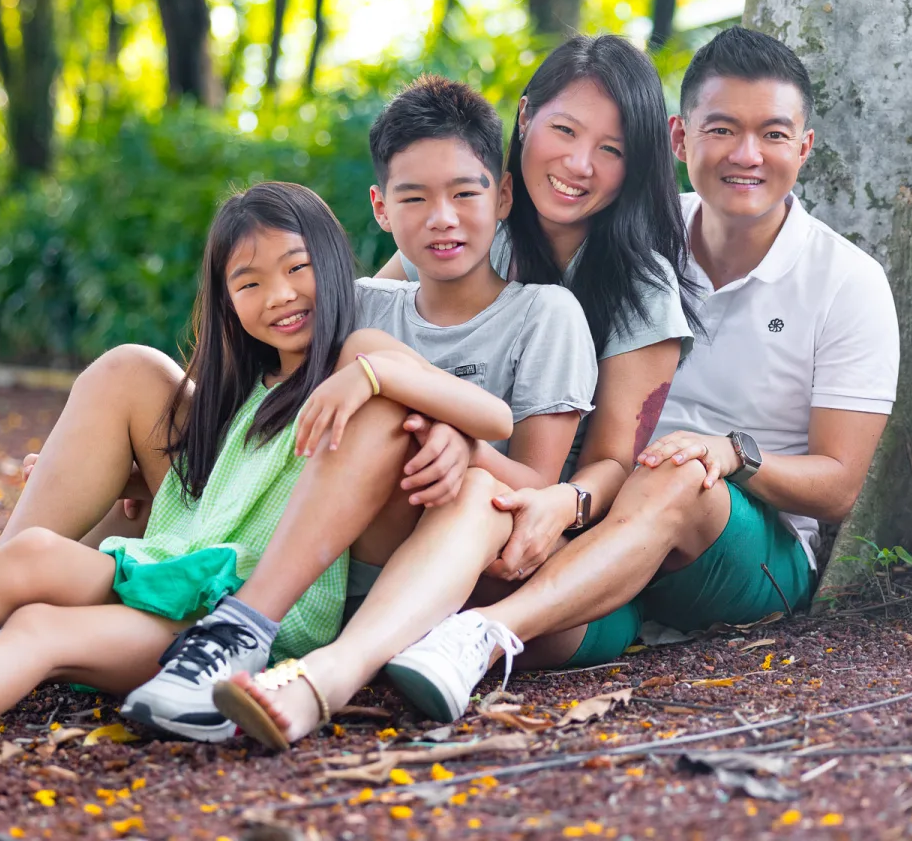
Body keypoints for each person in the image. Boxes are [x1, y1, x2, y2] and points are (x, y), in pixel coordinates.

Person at [0, 182, 512, 774]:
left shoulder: (362, 358)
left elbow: (493, 418)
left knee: (40, 632)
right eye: (248, 282)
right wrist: (122, 507)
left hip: (242, 629)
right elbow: (194, 499)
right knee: (30, 558)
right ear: (225, 301)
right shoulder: (245, 389)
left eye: (297, 268)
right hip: (172, 577)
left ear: (336, 264)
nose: (280, 295)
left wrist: (371, 377)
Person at [382, 26, 902, 722]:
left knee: (678, 470)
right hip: (597, 528)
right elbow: (385, 308)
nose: (746, 154)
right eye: (722, 129)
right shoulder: (627, 231)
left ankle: (484, 636)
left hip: (739, 544)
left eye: (772, 134)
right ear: (681, 137)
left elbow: (840, 486)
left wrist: (731, 453)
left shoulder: (847, 282)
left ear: (802, 148)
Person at [206, 37, 705, 745]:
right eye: (564, 131)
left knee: (463, 478)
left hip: (531, 533)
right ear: (526, 121)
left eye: (613, 149)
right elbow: (349, 338)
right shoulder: (463, 230)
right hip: (415, 516)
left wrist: (504, 466)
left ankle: (327, 672)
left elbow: (613, 463)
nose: (578, 163)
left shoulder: (630, 285)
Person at [121, 75, 598, 746]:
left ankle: (253, 632)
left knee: (419, 433)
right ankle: (221, 626)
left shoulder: (544, 314)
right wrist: (134, 474)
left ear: (504, 195)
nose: (442, 217)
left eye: (465, 192)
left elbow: (538, 497)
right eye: (414, 197)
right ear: (380, 207)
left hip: (476, 567)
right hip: (346, 562)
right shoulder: (362, 305)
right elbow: (259, 411)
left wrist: (459, 441)